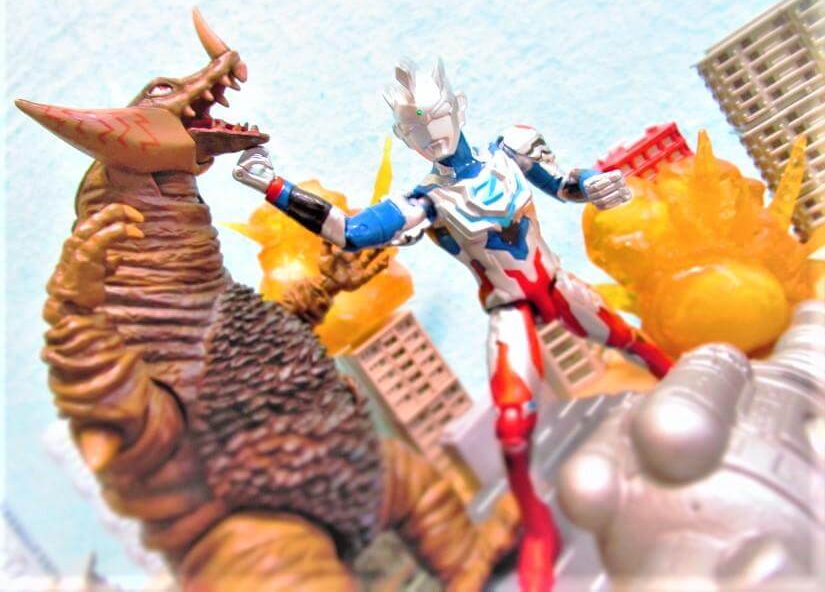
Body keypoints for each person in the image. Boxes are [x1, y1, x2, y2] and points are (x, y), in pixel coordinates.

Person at [233, 58, 672, 591]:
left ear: (458, 108)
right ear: (405, 138)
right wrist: (273, 186)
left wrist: (595, 184)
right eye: (414, 129)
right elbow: (351, 232)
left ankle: (691, 388)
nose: (429, 134)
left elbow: (562, 183)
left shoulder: (510, 149)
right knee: (512, 425)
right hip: (508, 304)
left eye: (435, 117)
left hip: (557, 282)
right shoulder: (427, 201)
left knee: (629, 341)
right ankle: (537, 527)